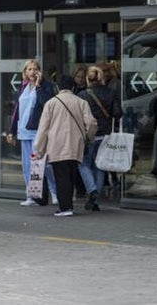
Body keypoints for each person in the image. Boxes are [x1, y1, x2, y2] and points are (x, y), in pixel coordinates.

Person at [33, 74, 98, 216]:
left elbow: (43, 128)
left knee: (61, 177)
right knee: (71, 176)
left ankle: (65, 208)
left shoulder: (51, 103)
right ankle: (68, 205)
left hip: (56, 146)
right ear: (73, 87)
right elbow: (92, 123)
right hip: (75, 146)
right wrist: (88, 137)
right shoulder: (81, 102)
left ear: (58, 87)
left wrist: (39, 149)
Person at [7, 59, 58, 206]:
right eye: (29, 69)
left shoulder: (45, 85)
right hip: (23, 130)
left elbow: (46, 104)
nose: (32, 72)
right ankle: (31, 195)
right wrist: (12, 131)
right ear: (25, 72)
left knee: (43, 164)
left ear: (39, 71)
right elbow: (17, 110)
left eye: (35, 69)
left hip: (38, 130)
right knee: (27, 165)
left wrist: (39, 86)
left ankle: (54, 192)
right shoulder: (22, 87)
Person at [78, 65, 122, 211]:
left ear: (88, 79)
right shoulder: (111, 92)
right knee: (100, 166)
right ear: (101, 77)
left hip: (89, 135)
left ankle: (92, 190)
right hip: (105, 135)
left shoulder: (83, 94)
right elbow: (117, 113)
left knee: (83, 164)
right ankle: (95, 201)